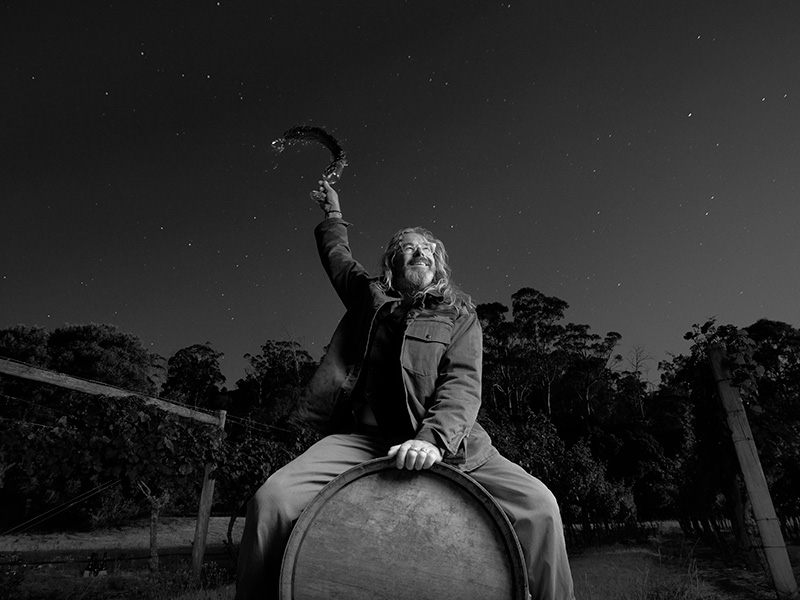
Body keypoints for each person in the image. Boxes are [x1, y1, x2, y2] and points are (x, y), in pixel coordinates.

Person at [235, 180, 575, 600]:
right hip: (362, 440)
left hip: (451, 444)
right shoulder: (368, 296)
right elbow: (338, 258)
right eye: (411, 248)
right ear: (393, 263)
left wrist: (431, 440)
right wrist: (332, 216)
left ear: (439, 268)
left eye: (429, 251)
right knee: (271, 501)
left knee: (541, 509)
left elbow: (462, 385)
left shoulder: (459, 315)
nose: (421, 253)